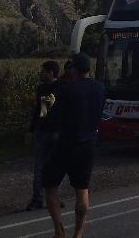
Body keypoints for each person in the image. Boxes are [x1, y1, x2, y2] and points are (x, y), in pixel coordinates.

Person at [43, 53, 105, 238]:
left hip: (67, 143)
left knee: (50, 184)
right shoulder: (100, 88)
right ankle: (78, 233)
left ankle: (59, 230)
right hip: (89, 143)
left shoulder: (67, 90)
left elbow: (51, 116)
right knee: (82, 189)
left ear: (74, 69)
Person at [26, 60, 63, 211]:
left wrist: (32, 129)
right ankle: (51, 198)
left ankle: (40, 198)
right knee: (53, 166)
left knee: (41, 166)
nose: (41, 73)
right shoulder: (58, 87)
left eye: (44, 71)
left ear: (51, 73)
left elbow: (42, 111)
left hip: (50, 131)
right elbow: (41, 110)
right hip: (50, 131)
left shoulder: (52, 88)